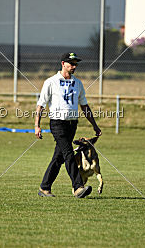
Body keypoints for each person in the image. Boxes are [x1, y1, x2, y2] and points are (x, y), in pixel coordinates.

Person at [34, 52, 102, 198]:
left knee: (58, 158)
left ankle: (44, 188)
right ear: (63, 64)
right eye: (71, 63)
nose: (74, 66)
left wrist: (94, 125)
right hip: (57, 124)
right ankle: (78, 187)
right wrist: (37, 125)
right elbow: (41, 105)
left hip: (72, 124)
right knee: (69, 154)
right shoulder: (51, 82)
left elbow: (84, 106)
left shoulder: (78, 83)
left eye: (76, 64)